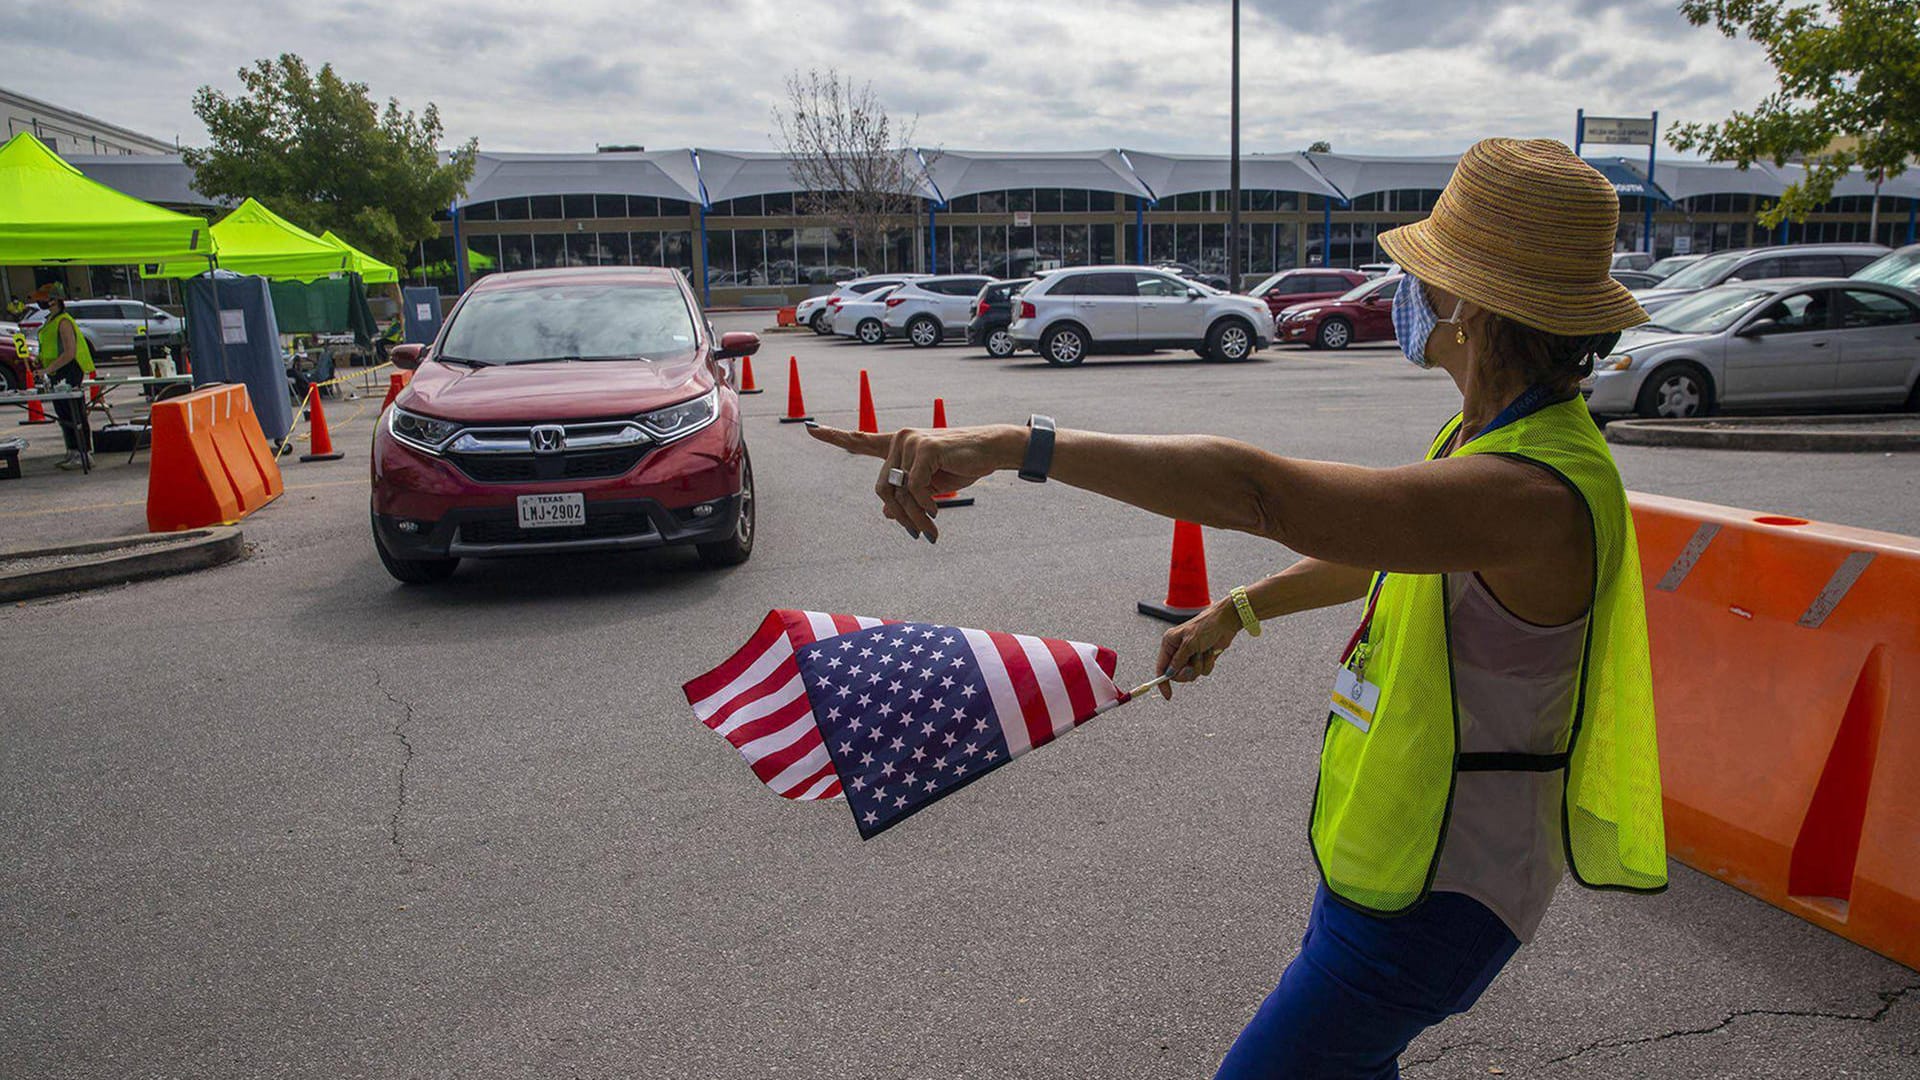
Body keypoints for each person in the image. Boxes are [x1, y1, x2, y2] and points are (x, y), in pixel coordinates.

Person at [807, 138, 1668, 1079]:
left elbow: (1258, 491)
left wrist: (1018, 443)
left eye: (1424, 275)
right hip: (1395, 863)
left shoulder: (1531, 487)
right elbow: (1380, 553)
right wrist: (1241, 609)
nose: (1405, 289)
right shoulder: (1491, 439)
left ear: (1470, 306)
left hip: (1442, 893)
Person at [34, 285, 95, 470]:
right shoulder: (51, 320)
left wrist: (47, 369)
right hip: (56, 371)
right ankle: (72, 451)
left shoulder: (64, 321)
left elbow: (70, 352)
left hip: (69, 371)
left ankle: (84, 453)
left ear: (54, 300)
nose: (40, 302)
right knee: (63, 414)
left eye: (44, 298)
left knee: (74, 412)